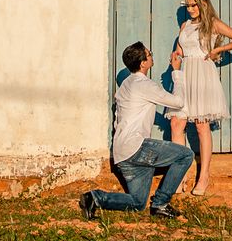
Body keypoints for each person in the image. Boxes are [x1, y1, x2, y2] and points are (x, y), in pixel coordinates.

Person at [79, 42, 194, 220]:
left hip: (122, 154)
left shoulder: (125, 85)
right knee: (185, 155)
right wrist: (177, 72)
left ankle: (94, 198)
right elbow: (178, 102)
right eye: (150, 54)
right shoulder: (144, 85)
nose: (151, 56)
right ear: (143, 64)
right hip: (137, 147)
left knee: (137, 203)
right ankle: (161, 203)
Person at [166, 0, 232, 195]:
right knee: (177, 123)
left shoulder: (211, 23)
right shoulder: (184, 26)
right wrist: (175, 57)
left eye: (194, 5)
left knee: (202, 126)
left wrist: (218, 50)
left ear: (202, 4)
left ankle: (204, 177)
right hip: (185, 74)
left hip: (203, 74)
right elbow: (181, 50)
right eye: (188, 5)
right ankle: (180, 175)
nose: (191, 9)